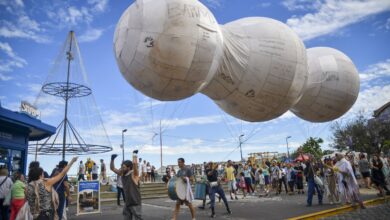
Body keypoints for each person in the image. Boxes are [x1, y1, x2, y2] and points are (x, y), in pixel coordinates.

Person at [110, 150, 142, 220]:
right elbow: (112, 168)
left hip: (135, 202)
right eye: (121, 166)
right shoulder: (122, 174)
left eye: (123, 167)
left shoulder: (134, 175)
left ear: (129, 168)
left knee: (138, 218)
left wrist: (134, 155)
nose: (121, 168)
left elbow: (134, 165)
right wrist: (112, 159)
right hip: (127, 203)